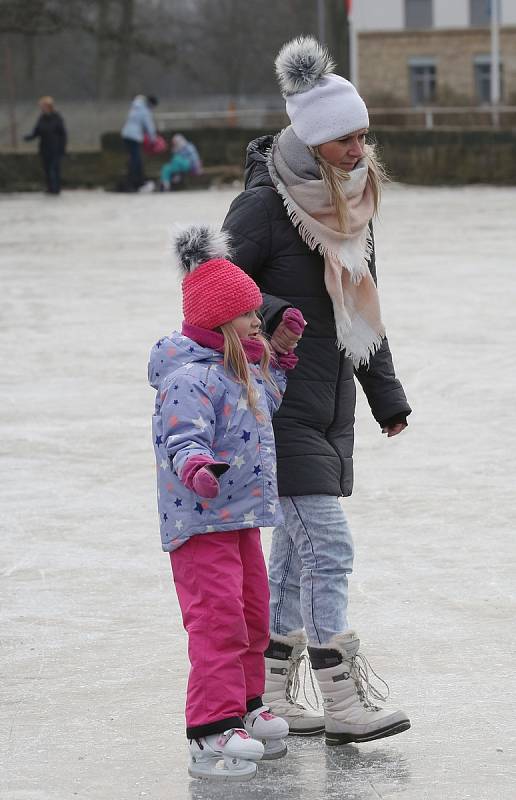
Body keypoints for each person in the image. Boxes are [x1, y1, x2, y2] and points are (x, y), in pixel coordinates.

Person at [222, 36, 412, 745]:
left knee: (295, 556)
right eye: (344, 138)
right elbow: (213, 289)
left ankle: (268, 697)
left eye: (363, 135)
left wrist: (384, 396)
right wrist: (273, 317)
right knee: (326, 549)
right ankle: (341, 700)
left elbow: (364, 309)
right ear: (312, 137)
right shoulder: (264, 206)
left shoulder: (351, 211)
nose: (359, 149)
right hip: (272, 403)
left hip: (329, 408)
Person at [148, 225, 305, 780]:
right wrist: (195, 466)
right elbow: (180, 437)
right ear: (219, 322)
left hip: (240, 518)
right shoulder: (189, 379)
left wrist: (279, 354)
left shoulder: (240, 369)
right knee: (217, 622)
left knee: (250, 616)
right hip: (200, 521)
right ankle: (211, 729)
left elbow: (267, 404)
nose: (256, 323)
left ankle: (246, 707)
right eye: (248, 317)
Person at [24, 96, 67, 194]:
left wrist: (63, 148)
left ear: (49, 106)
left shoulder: (57, 118)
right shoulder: (41, 118)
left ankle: (55, 189)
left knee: (53, 169)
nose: (42, 108)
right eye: (41, 106)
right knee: (47, 169)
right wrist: (29, 138)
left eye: (44, 106)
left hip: (56, 149)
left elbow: (63, 134)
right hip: (44, 148)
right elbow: (37, 132)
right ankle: (50, 188)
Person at [121, 94, 158, 191]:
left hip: (126, 135)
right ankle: (131, 183)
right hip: (134, 137)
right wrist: (153, 140)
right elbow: (149, 127)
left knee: (135, 160)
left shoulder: (135, 106)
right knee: (135, 160)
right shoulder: (145, 111)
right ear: (151, 104)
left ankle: (138, 182)